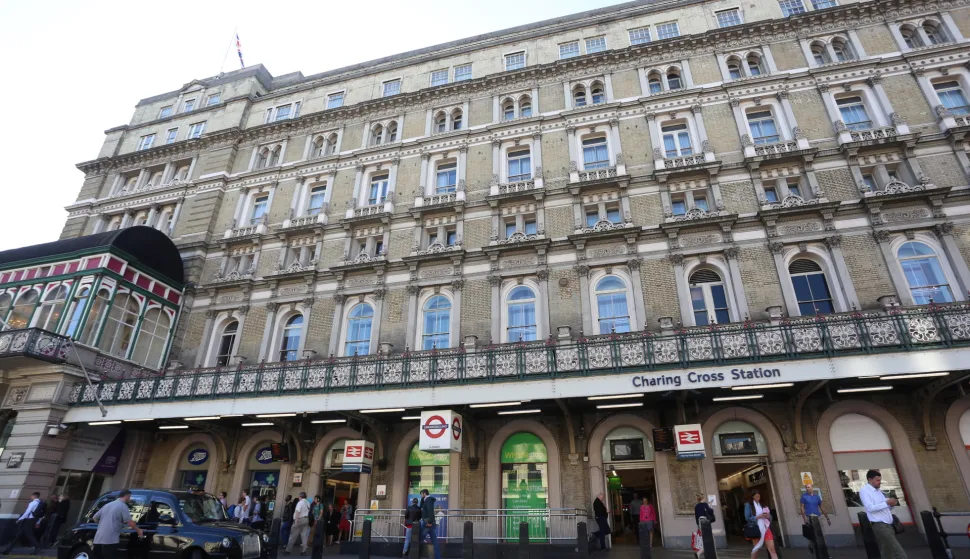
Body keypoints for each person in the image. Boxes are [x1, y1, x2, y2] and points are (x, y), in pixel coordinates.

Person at [861, 469, 907, 559]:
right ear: (870, 480)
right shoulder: (865, 491)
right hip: (880, 525)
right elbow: (870, 508)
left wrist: (891, 504)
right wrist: (887, 503)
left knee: (887, 554)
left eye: (880, 480)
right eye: (877, 480)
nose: (880, 482)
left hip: (888, 525)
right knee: (900, 554)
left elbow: (884, 507)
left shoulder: (878, 491)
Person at [89, 490, 143, 559]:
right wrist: (138, 530)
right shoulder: (123, 506)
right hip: (110, 540)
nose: (130, 498)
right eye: (129, 496)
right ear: (126, 496)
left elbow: (95, 517)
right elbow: (129, 521)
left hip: (98, 539)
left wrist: (103, 525)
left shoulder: (108, 505)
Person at [744, 490, 779, 559]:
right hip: (756, 528)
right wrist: (758, 517)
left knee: (772, 549)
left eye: (759, 496)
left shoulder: (763, 505)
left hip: (766, 528)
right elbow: (747, 518)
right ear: (752, 497)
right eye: (756, 496)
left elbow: (770, 517)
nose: (758, 497)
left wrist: (768, 516)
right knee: (756, 549)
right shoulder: (748, 505)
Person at [419, 489, 441, 559]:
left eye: (421, 494)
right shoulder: (426, 500)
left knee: (419, 538)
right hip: (429, 523)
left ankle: (415, 555)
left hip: (427, 523)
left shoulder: (428, 500)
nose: (421, 495)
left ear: (424, 493)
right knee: (435, 541)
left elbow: (430, 511)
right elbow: (421, 508)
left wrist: (429, 522)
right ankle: (438, 557)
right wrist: (422, 499)